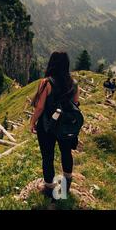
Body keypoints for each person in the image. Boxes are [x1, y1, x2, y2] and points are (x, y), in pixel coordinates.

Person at [30, 52, 80, 199]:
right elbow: (76, 104)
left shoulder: (46, 82)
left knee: (47, 156)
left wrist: (32, 122)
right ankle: (66, 185)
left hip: (47, 126)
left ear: (52, 63)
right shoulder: (74, 83)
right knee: (66, 153)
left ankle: (50, 188)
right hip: (66, 126)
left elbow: (39, 107)